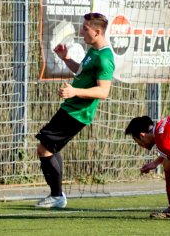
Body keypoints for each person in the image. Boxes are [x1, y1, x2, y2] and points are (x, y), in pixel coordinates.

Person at [35, 13, 115, 208]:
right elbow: (81, 71)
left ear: (97, 32)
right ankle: (57, 195)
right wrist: (67, 58)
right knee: (48, 148)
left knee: (45, 148)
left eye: (85, 28)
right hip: (72, 108)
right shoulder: (93, 52)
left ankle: (57, 196)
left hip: (79, 112)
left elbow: (103, 91)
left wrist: (74, 91)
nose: (81, 31)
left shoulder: (105, 58)